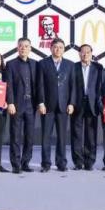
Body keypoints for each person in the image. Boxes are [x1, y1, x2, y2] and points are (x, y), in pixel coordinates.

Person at [36, 38, 77, 172]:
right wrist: (41, 102)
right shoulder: (43, 63)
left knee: (62, 137)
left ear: (64, 49)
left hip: (63, 106)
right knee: (45, 136)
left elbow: (73, 86)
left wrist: (71, 103)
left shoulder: (70, 65)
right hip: (47, 106)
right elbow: (40, 85)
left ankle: (61, 163)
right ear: (50, 48)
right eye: (55, 47)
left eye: (60, 47)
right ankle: (45, 164)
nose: (57, 49)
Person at [6, 38, 38, 173]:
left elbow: (39, 85)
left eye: (26, 46)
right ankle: (16, 164)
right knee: (15, 136)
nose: (23, 48)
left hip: (31, 104)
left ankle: (25, 163)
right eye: (21, 46)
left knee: (29, 136)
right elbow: (9, 85)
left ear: (30, 48)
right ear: (17, 48)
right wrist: (10, 102)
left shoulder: (35, 64)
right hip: (17, 104)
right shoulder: (11, 64)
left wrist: (40, 102)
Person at [71, 44, 103, 170]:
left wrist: (100, 104)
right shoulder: (74, 67)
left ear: (91, 53)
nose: (85, 54)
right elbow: (71, 87)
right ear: (79, 53)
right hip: (77, 104)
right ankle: (78, 162)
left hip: (92, 104)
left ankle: (89, 162)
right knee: (76, 134)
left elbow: (100, 87)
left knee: (91, 135)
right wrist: (71, 103)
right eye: (83, 52)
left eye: (88, 52)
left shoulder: (98, 67)